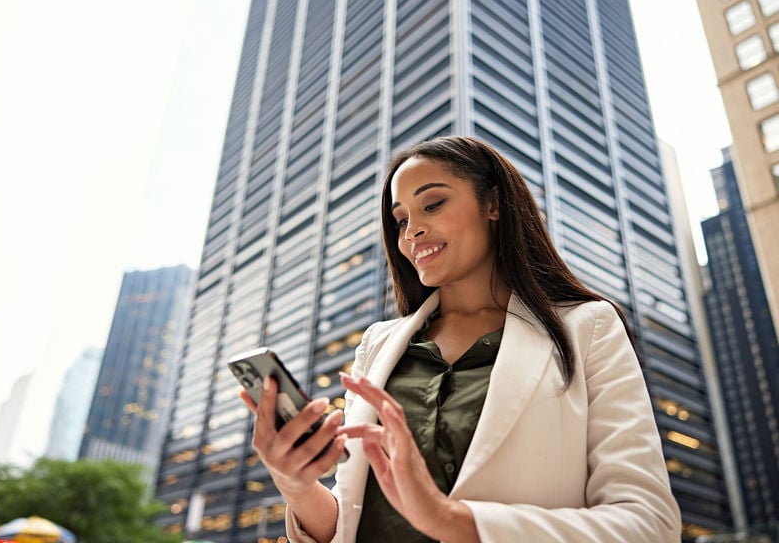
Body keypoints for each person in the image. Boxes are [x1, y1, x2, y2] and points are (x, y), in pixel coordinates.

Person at [240, 135, 681, 542]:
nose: (411, 231)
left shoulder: (588, 327)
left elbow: (648, 523)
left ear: (493, 204)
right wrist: (296, 485)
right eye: (400, 219)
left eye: (432, 204)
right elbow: (353, 520)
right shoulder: (377, 345)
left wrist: (450, 520)